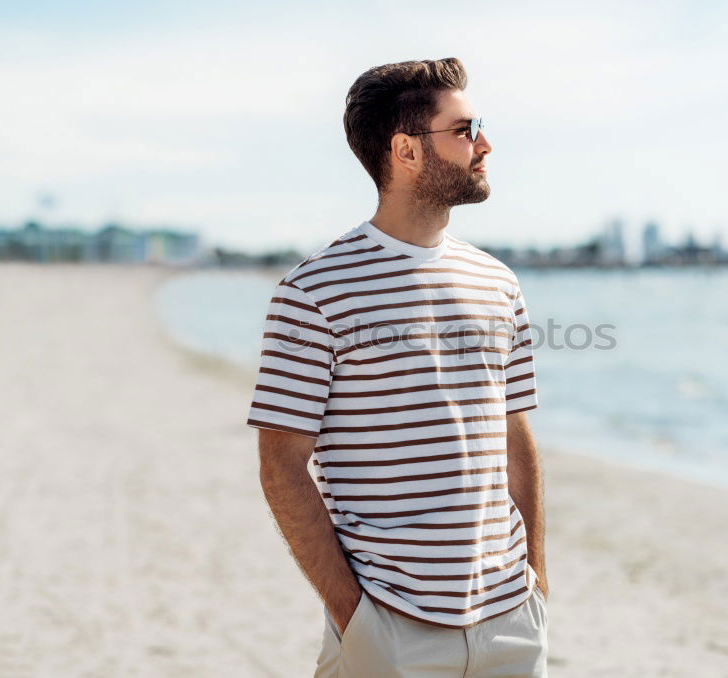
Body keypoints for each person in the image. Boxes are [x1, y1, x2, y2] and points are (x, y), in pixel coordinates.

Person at [247, 57, 548, 677]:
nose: (484, 145)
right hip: (390, 625)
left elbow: (516, 438)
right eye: (464, 130)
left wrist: (536, 583)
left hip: (510, 618)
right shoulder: (314, 291)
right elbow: (281, 463)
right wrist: (356, 617)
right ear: (407, 151)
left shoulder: (498, 282)